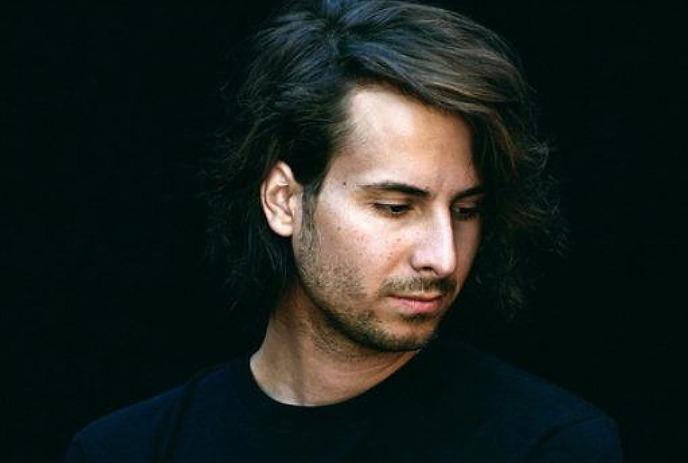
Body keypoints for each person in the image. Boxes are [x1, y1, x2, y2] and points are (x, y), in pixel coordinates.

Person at [65, 0, 623, 461]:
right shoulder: (129, 450)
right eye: (394, 206)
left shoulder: (548, 445)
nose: (444, 258)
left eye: (465, 210)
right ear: (284, 200)